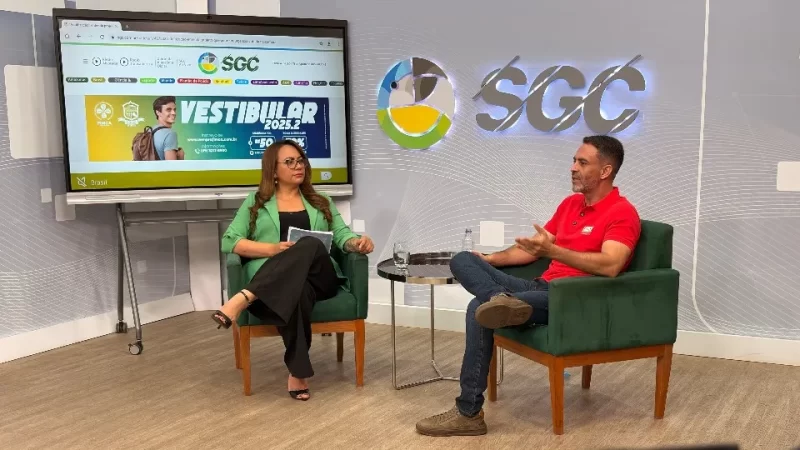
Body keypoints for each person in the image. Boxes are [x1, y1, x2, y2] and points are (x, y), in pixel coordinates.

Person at [416, 135, 641, 436]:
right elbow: (533, 250)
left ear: (605, 171)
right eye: (574, 161)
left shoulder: (622, 212)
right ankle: (500, 298)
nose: (573, 167)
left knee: (477, 307)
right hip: (540, 287)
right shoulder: (571, 204)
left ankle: (468, 413)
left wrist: (555, 252)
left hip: (573, 299)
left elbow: (611, 264)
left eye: (582, 162)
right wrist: (490, 259)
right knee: (462, 259)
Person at [213, 139, 374, 401]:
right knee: (297, 292)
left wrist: (356, 243)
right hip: (283, 284)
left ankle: (244, 297)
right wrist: (272, 249)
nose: (298, 166)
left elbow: (342, 234)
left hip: (322, 278)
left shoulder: (320, 200)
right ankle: (298, 372)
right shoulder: (256, 202)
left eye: (300, 161)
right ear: (273, 170)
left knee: (309, 244)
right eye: (289, 162)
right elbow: (230, 241)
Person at [152, 96, 184, 160]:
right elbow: (172, 165)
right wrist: (181, 157)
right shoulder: (170, 134)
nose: (173, 113)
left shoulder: (150, 130)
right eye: (168, 110)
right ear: (158, 112)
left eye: (174, 109)